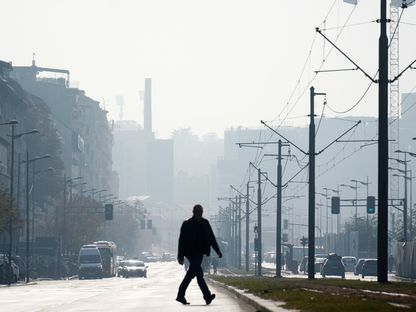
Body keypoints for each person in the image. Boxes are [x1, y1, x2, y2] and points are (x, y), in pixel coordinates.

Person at [176, 204, 222, 305]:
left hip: (201, 253)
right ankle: (207, 296)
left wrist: (218, 251)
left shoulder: (205, 223)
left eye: (200, 212)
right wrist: (180, 256)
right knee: (200, 275)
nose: (199, 214)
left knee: (190, 275)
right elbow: (181, 241)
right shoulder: (187, 224)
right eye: (197, 212)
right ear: (193, 212)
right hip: (190, 253)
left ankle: (180, 295)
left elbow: (211, 238)